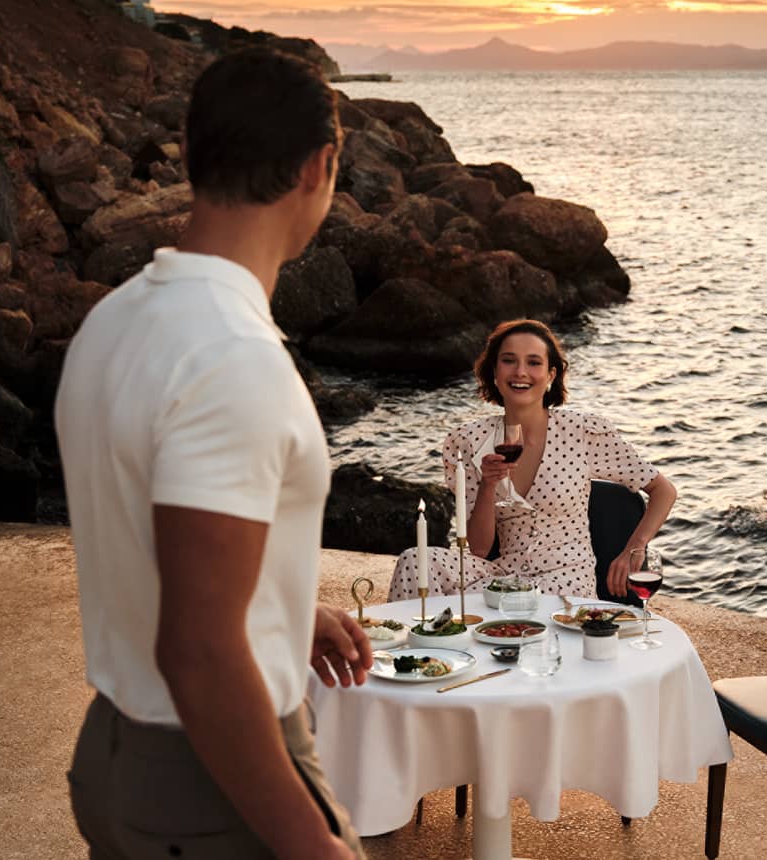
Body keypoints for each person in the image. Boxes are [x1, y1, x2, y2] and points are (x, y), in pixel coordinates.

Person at [55, 48, 370, 860]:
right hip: (209, 783)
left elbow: (149, 534)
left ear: (192, 155)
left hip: (117, 753)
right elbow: (198, 651)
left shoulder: (115, 320)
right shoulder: (233, 359)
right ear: (319, 167)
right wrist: (314, 845)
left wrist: (285, 612)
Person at [390, 319, 677, 601]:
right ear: (494, 371)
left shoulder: (582, 432)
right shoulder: (470, 441)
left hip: (565, 579)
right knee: (416, 560)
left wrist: (634, 548)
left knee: (514, 609)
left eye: (534, 362)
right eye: (509, 360)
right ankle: (422, 635)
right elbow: (478, 549)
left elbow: (663, 490)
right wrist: (488, 485)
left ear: (551, 375)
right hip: (504, 576)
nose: (520, 372)